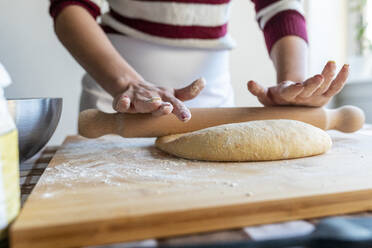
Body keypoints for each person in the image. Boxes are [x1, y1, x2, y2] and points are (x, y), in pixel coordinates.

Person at [49, 0, 349, 122]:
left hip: (212, 101)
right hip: (118, 92)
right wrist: (127, 84)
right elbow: (69, 6)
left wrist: (293, 83)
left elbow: (279, 7)